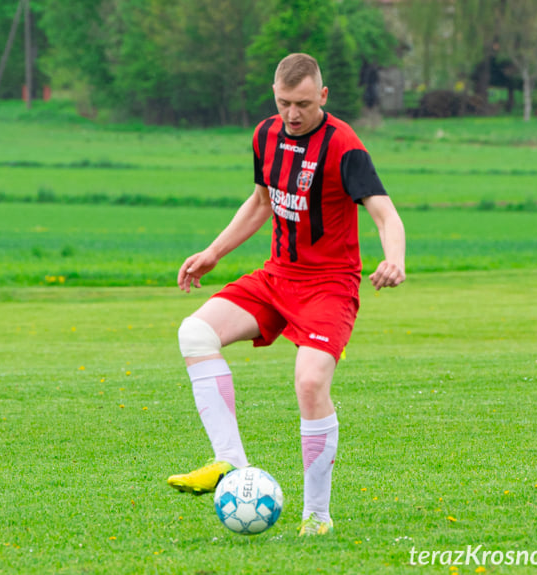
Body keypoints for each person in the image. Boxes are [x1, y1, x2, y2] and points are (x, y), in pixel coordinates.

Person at [166, 53, 406, 536]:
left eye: (301, 104)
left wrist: (394, 257)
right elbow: (261, 202)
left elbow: (384, 212)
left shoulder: (345, 146)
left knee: (311, 382)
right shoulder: (266, 134)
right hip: (277, 277)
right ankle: (228, 462)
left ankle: (317, 518)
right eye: (282, 103)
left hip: (329, 285)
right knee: (195, 333)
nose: (292, 114)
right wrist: (215, 251)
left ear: (323, 96)